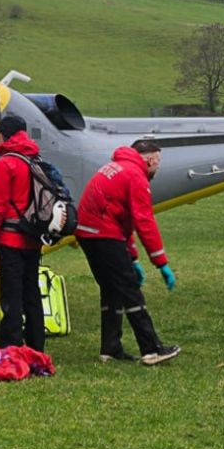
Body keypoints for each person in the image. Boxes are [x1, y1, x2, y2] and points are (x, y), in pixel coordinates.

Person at [75, 140, 181, 366]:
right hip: (103, 235)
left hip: (87, 233)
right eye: (158, 162)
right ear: (150, 159)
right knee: (129, 290)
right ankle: (152, 349)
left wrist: (132, 257)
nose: (157, 168)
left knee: (111, 290)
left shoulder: (117, 167)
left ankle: (110, 348)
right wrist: (161, 262)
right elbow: (144, 221)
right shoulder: (135, 176)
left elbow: (123, 219)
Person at [0, 115, 46, 352]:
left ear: (5, 134)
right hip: (33, 236)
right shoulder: (34, 157)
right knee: (32, 292)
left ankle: (11, 346)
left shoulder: (7, 163)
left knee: (11, 295)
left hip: (11, 238)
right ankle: (37, 345)